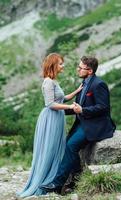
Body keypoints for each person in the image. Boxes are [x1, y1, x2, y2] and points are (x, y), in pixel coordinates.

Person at [40, 56, 116, 194]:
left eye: (81, 68)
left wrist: (83, 110)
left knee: (70, 146)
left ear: (90, 71)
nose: (78, 69)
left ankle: (57, 184)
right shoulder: (84, 83)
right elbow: (75, 107)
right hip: (82, 122)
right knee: (67, 145)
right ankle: (76, 178)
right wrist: (56, 112)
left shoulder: (98, 84)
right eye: (79, 67)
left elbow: (103, 107)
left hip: (95, 124)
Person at [17, 53, 82, 197]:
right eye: (60, 63)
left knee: (56, 148)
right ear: (53, 65)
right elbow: (51, 104)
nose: (62, 66)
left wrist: (77, 91)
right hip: (50, 119)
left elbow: (61, 98)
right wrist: (71, 107)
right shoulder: (48, 82)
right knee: (50, 148)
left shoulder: (54, 81)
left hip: (56, 118)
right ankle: (43, 183)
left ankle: (53, 180)